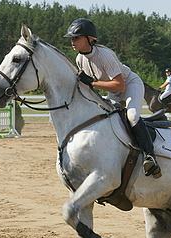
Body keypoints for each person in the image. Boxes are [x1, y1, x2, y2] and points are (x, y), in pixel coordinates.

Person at [64, 18, 161, 179]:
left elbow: (119, 86)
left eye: (76, 37)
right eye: (72, 38)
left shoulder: (105, 55)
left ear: (90, 39)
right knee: (105, 118)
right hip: (113, 90)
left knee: (132, 116)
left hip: (129, 84)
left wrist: (93, 82)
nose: (73, 41)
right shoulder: (79, 59)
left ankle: (150, 156)